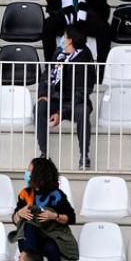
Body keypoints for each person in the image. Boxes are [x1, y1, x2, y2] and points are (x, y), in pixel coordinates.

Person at [36, 24, 98, 169]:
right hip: (56, 100)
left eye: (64, 36)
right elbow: (47, 75)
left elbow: (83, 91)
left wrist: (61, 113)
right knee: (40, 107)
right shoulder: (59, 53)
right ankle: (44, 154)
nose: (62, 39)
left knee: (82, 112)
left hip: (75, 102)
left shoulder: (85, 58)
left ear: (70, 39)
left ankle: (84, 156)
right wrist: (43, 95)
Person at [12, 157, 77, 261]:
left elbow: (71, 217)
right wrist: (19, 213)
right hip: (30, 238)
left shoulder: (56, 195)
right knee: (28, 227)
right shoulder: (25, 193)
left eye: (29, 171)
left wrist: (55, 216)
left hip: (48, 236)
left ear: (38, 175)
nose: (26, 174)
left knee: (52, 250)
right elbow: (15, 220)